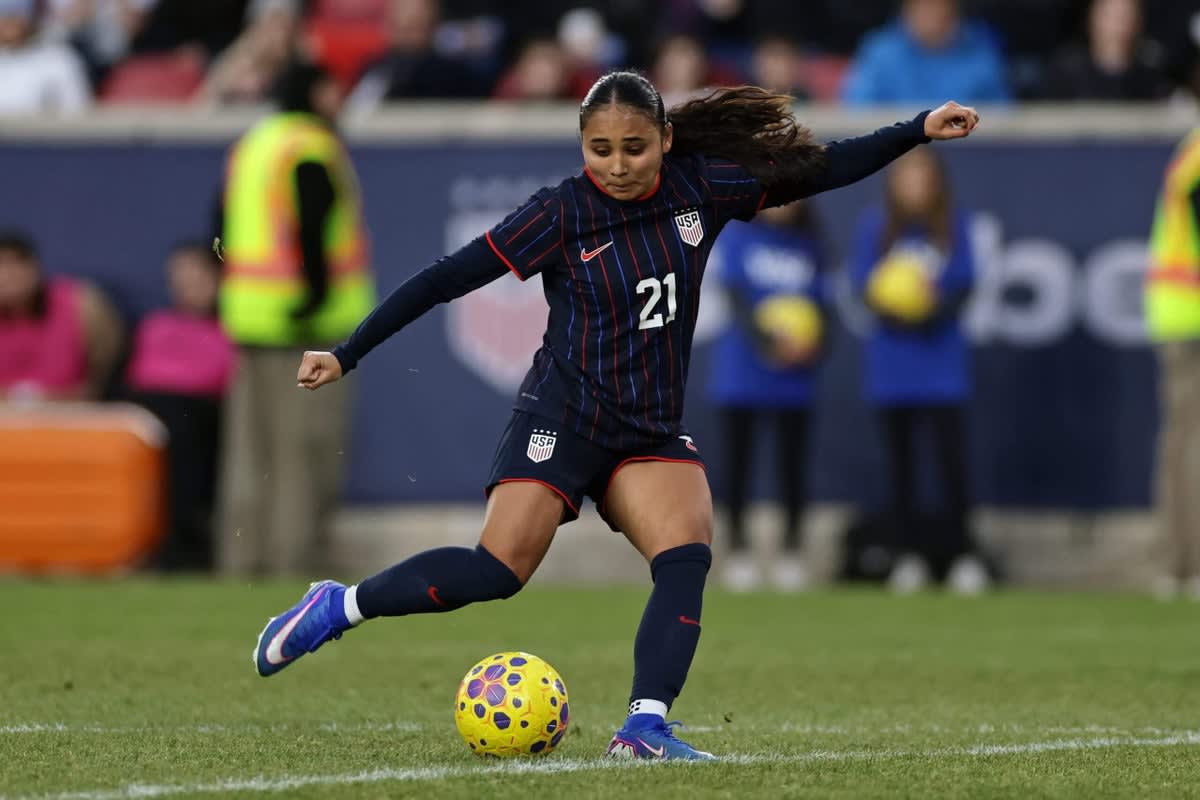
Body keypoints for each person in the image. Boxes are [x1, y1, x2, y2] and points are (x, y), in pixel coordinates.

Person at [251, 70, 978, 760]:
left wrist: (916, 129)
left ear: (665, 139)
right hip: (563, 417)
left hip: (646, 430)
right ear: (582, 146)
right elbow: (446, 279)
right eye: (600, 149)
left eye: (634, 147)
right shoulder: (561, 212)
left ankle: (644, 727)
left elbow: (823, 167)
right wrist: (347, 353)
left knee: (685, 554)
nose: (618, 165)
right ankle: (338, 606)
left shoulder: (703, 187)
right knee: (497, 571)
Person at [216, 61, 376, 576]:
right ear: (315, 92)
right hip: (305, 327)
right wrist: (313, 295)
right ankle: (296, 564)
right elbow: (311, 224)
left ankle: (243, 562)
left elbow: (218, 227)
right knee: (305, 455)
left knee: (251, 455)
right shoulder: (310, 147)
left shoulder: (255, 144)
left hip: (251, 322)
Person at [850, 148, 987, 595]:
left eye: (922, 177)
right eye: (906, 177)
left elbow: (965, 285)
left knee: (951, 467)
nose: (915, 186)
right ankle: (907, 556)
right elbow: (863, 288)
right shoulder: (875, 228)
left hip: (942, 366)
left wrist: (928, 310)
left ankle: (962, 555)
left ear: (936, 183)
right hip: (893, 368)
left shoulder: (954, 227)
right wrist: (897, 309)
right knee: (901, 467)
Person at [708, 200, 828, 592]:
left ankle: (792, 550)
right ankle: (738, 549)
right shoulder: (739, 236)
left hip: (794, 378)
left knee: (793, 467)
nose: (785, 203)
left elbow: (824, 308)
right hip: (743, 373)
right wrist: (771, 341)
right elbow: (736, 299)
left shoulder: (810, 244)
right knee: (738, 466)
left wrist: (814, 345)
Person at [125, 241, 235, 571]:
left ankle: (185, 542)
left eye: (196, 278)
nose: (187, 287)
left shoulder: (232, 327)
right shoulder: (156, 324)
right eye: (180, 279)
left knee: (182, 427)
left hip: (204, 418)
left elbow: (215, 377)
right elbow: (139, 374)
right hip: (150, 416)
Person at [1145, 127, 1200, 600]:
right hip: (1191, 320)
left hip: (1179, 315)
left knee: (1182, 442)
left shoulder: (1192, 150)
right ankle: (1187, 562)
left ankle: (1178, 564)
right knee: (1189, 444)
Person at [0, 230, 123, 402]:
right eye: (2, 266)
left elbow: (107, 364)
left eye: (18, 264)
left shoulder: (82, 304)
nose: (9, 275)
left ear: (36, 268)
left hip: (73, 410)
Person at [841, 0, 1010, 107]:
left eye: (939, 6)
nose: (932, 15)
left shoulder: (982, 57)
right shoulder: (879, 52)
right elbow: (857, 111)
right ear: (906, 10)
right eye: (924, 6)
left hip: (964, 149)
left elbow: (1002, 123)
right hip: (893, 149)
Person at [1042, 0, 1172, 101]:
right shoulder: (1065, 72)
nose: (1119, 24)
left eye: (1126, 15)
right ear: (1093, 17)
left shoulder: (1150, 77)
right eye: (1112, 15)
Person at [0, 0, 93, 114]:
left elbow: (78, 113)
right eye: (4, 15)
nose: (8, 22)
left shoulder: (59, 60)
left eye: (15, 15)